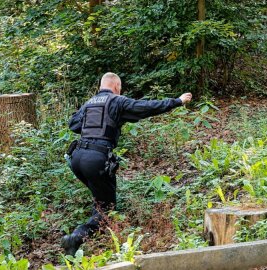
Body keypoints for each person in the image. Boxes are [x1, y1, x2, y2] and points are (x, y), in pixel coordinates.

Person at [61, 72, 192, 256]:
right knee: (106, 209)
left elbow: (73, 124)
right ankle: (75, 238)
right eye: (119, 88)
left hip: (77, 158)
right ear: (116, 86)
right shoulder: (117, 101)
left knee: (100, 197)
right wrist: (177, 101)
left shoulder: (89, 103)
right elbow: (146, 107)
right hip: (96, 159)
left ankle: (93, 223)